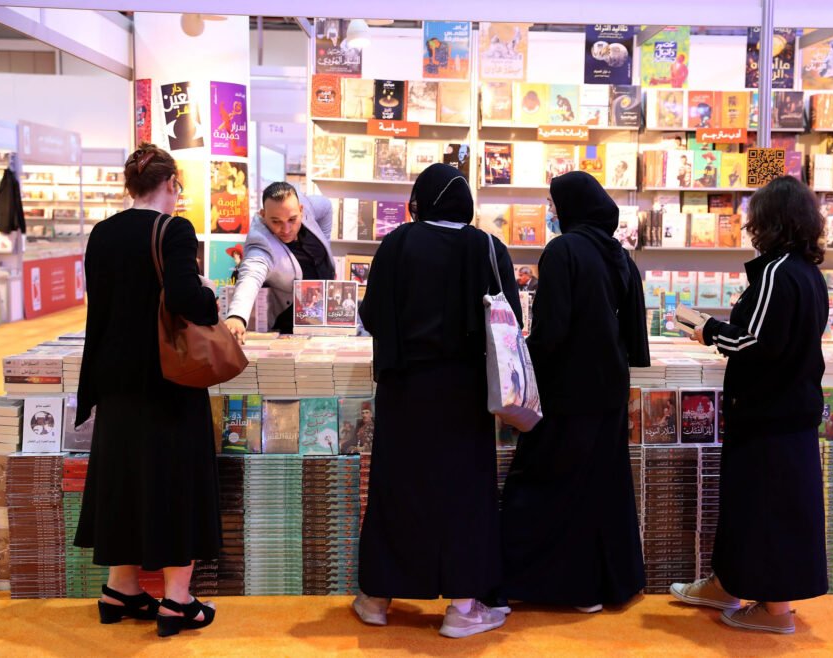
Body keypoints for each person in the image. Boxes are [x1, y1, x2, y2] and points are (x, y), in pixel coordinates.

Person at [354, 163, 521, 638]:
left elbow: (372, 315)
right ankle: (463, 608)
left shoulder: (397, 243)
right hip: (464, 394)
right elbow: (509, 321)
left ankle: (376, 598)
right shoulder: (487, 246)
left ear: (419, 201)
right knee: (464, 496)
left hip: (403, 390)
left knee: (395, 489)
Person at [670, 176, 829, 635]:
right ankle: (727, 584)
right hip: (779, 412)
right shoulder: (804, 271)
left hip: (770, 414)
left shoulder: (778, 272)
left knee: (768, 510)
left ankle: (776, 611)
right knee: (747, 505)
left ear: (772, 221)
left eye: (756, 218)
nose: (750, 227)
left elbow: (753, 341)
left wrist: (707, 330)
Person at [74, 144, 222, 637]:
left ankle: (121, 587)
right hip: (167, 380)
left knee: (125, 481)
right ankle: (177, 600)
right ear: (172, 185)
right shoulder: (174, 230)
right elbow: (185, 299)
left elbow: (103, 306)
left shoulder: (103, 233)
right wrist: (210, 295)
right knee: (177, 482)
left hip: (114, 381)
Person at [501, 171, 649, 613]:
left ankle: (557, 587)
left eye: (553, 203)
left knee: (544, 486)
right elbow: (634, 336)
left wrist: (519, 356)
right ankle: (602, 586)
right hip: (609, 391)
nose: (551, 211)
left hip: (567, 391)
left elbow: (552, 330)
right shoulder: (618, 254)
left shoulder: (563, 250)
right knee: (600, 489)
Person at [225, 182, 334, 340]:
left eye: (292, 219)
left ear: (301, 210)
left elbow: (326, 207)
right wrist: (237, 316)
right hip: (292, 321)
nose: (286, 229)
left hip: (327, 305)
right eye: (276, 222)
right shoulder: (261, 242)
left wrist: (325, 242)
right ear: (263, 215)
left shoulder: (307, 207)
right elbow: (251, 275)